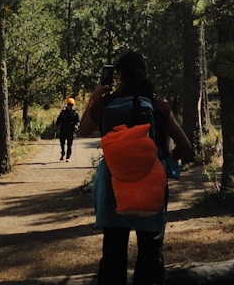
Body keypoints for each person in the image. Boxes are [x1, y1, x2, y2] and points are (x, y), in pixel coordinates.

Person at [78, 52, 193, 285]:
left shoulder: (107, 103)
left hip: (113, 181)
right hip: (151, 181)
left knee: (113, 249)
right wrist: (166, 161)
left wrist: (96, 95)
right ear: (145, 74)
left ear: (118, 76)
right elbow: (185, 146)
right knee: (151, 249)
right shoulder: (157, 104)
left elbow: (82, 131)